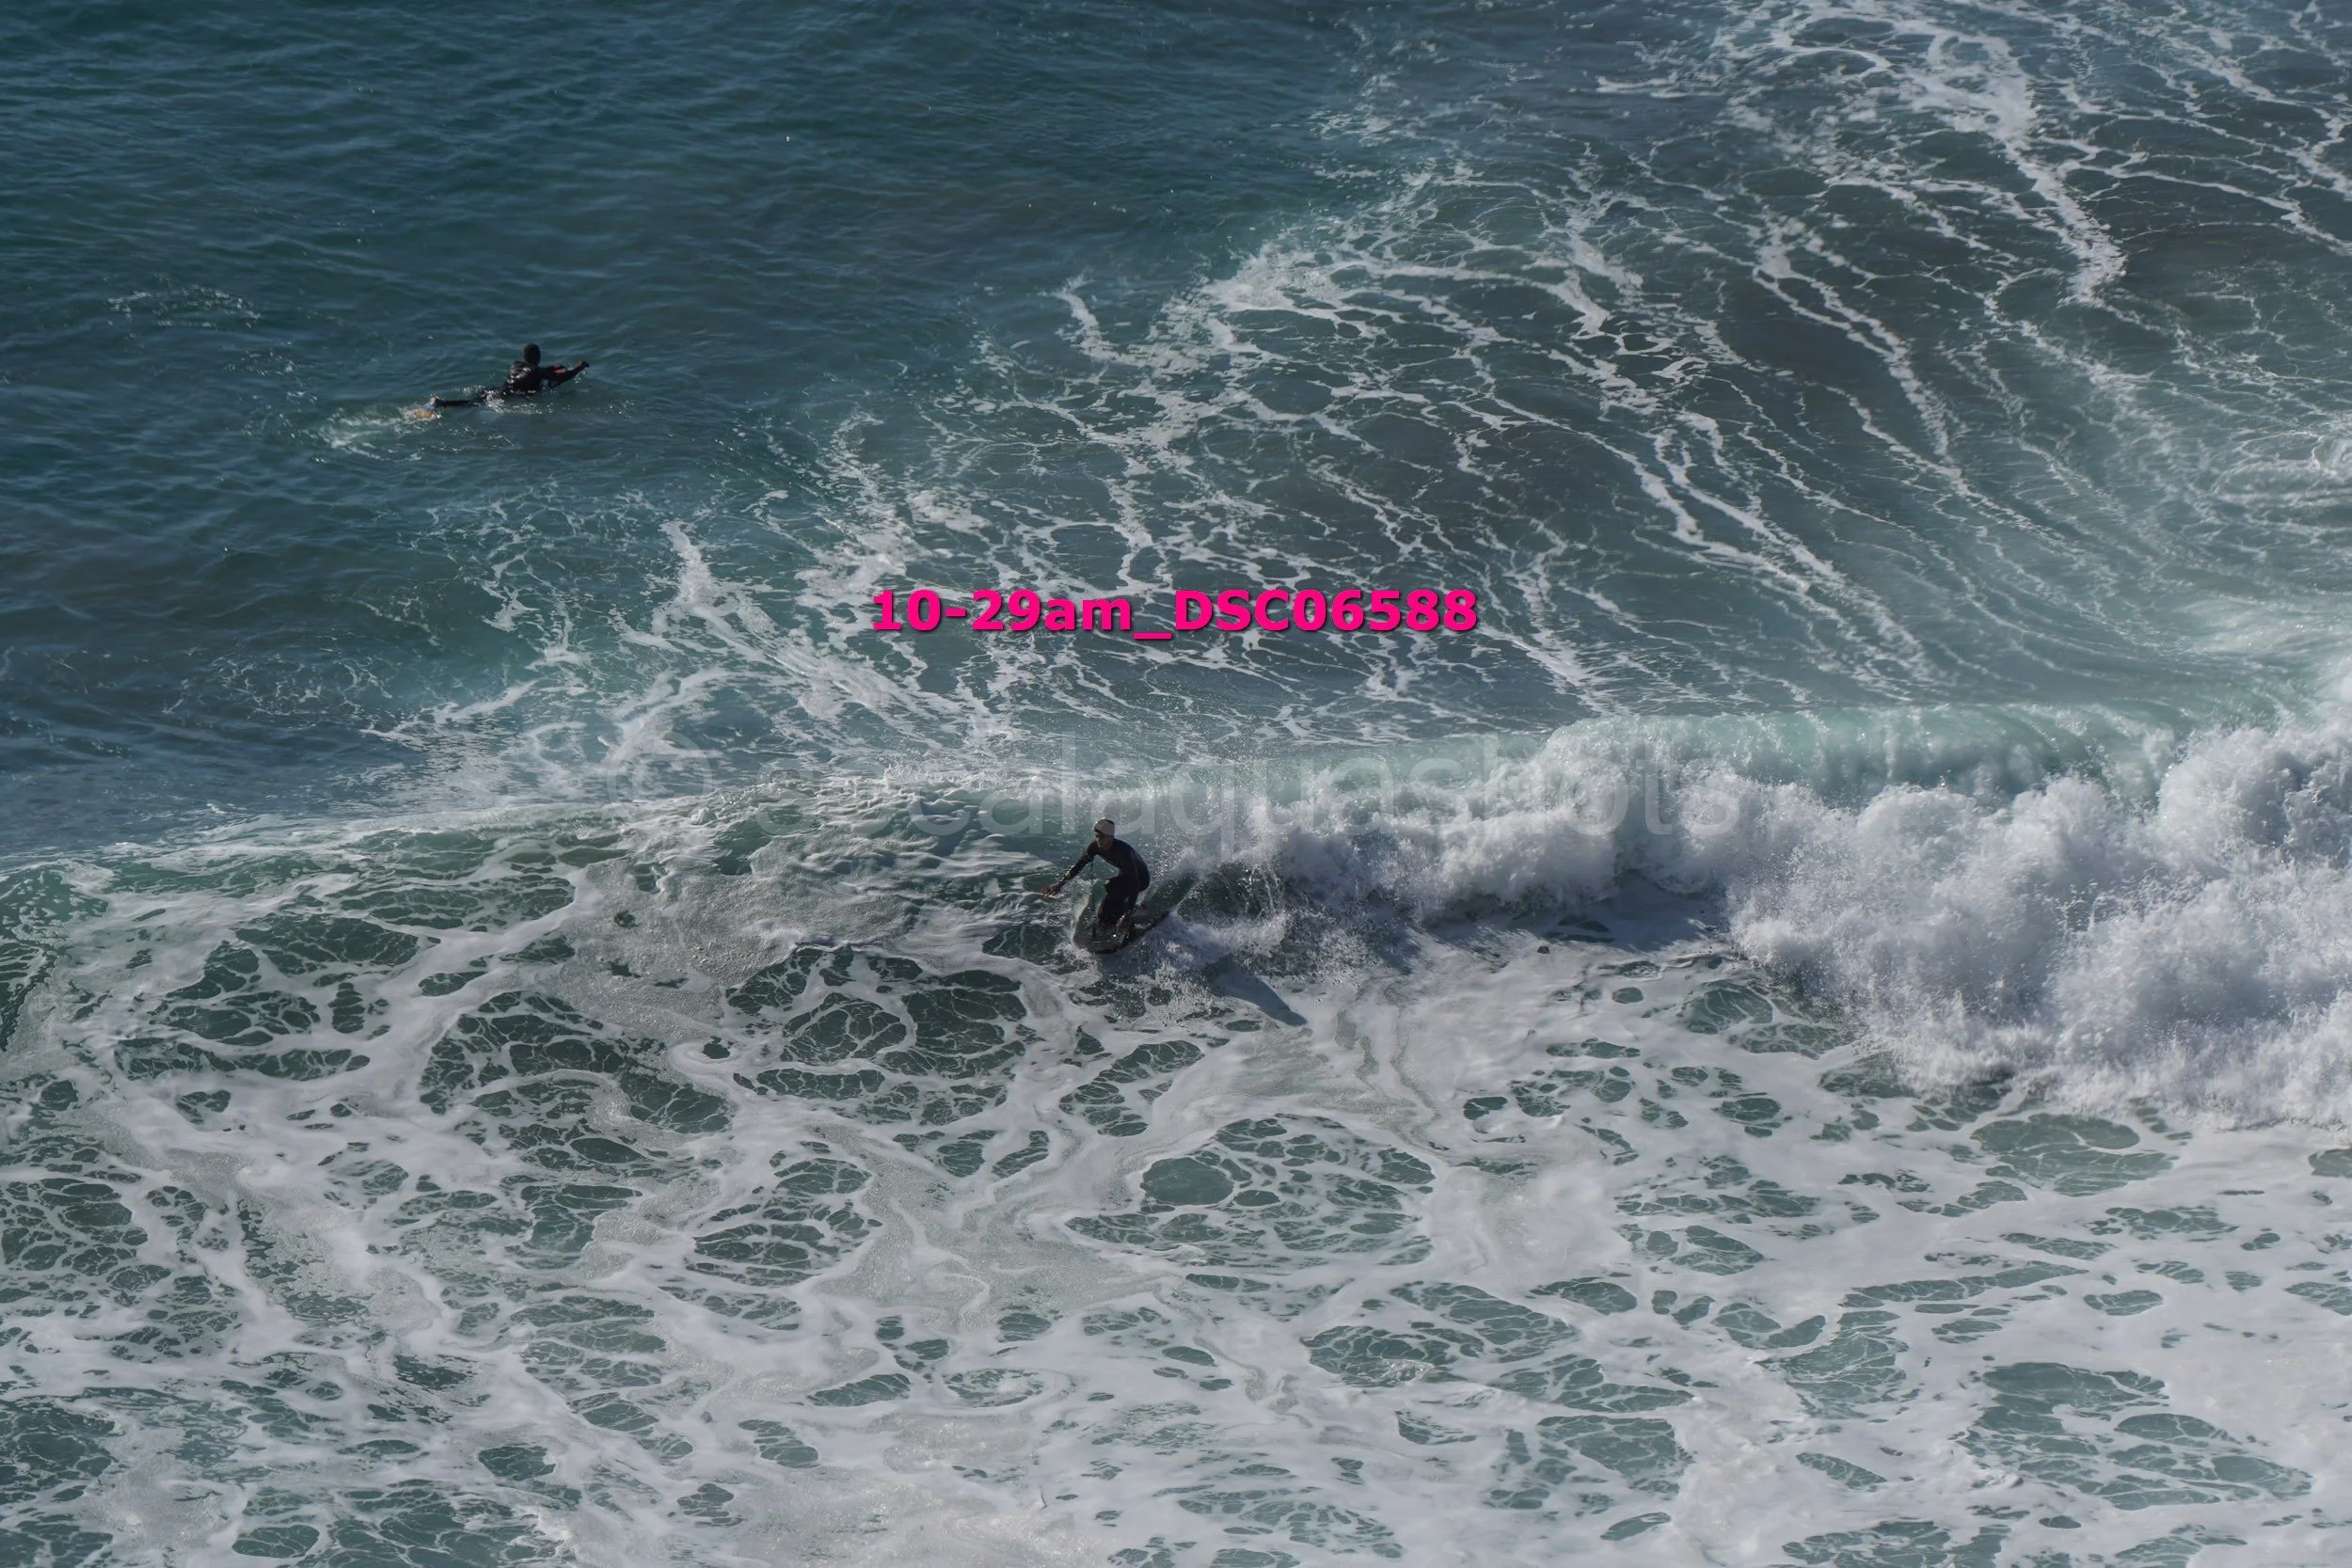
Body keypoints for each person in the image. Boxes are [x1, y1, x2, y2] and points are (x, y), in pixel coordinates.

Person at [1039, 818, 1151, 937]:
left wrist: (1127, 914)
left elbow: (1134, 883)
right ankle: (1109, 921)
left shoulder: (1124, 851)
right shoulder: (1094, 847)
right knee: (1107, 906)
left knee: (1111, 886)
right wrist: (1060, 884)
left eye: (1102, 837)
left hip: (1141, 880)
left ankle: (1128, 921)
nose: (1098, 840)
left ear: (1111, 837)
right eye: (1097, 836)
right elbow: (1078, 865)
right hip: (1124, 877)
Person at [429, 344, 590, 408]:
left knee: (473, 401)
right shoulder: (538, 372)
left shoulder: (515, 364)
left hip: (495, 389)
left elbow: (543, 371)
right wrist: (579, 368)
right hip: (507, 395)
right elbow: (562, 377)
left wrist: (555, 368)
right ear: (538, 357)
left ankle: (441, 403)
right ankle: (442, 404)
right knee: (473, 405)